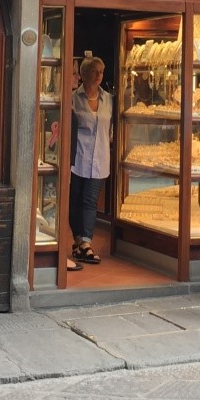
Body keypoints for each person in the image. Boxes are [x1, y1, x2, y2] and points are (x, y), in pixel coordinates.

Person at [69, 55, 111, 266]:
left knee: (90, 201)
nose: (98, 77)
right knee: (75, 200)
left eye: (101, 72)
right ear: (84, 75)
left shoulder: (108, 100)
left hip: (100, 159)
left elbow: (111, 128)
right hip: (78, 158)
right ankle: (78, 241)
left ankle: (86, 242)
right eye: (94, 72)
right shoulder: (73, 98)